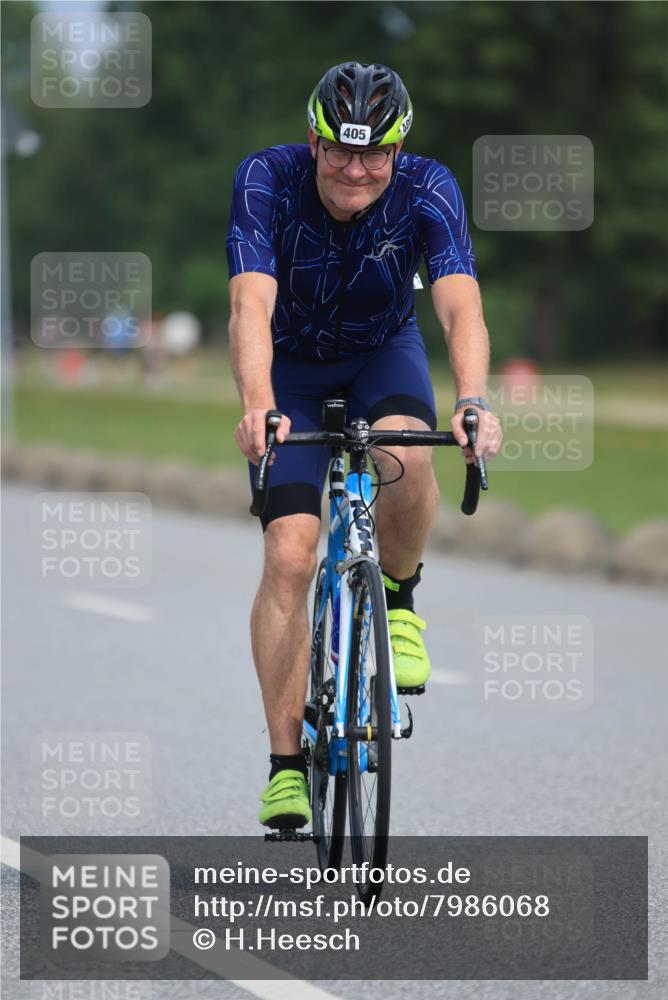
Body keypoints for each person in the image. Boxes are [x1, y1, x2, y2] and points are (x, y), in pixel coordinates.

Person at [226, 61, 502, 829]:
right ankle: (286, 765)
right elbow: (249, 304)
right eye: (340, 151)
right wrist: (259, 407)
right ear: (313, 141)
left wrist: (474, 400)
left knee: (410, 450)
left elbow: (460, 306)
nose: (356, 169)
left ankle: (400, 597)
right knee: (289, 555)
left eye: (374, 153)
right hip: (291, 369)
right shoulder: (266, 180)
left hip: (384, 354)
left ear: (397, 148)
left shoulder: (429, 188)